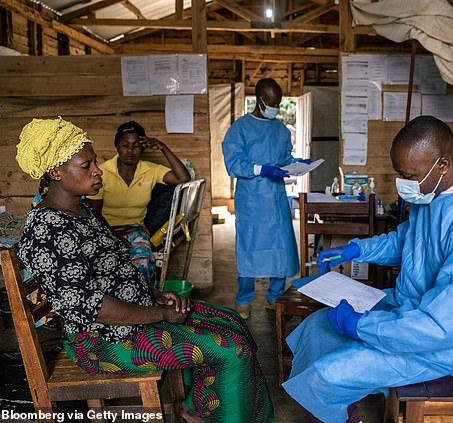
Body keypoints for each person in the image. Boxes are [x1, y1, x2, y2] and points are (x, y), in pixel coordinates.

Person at [15, 118, 274, 423]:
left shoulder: (82, 211)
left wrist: (156, 295)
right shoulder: (49, 229)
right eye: (86, 165)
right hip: (103, 341)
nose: (97, 170)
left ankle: (194, 410)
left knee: (232, 322)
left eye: (95, 162)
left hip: (134, 315)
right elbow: (89, 307)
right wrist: (162, 314)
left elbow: (113, 272)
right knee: (234, 349)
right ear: (56, 173)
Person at [282, 116, 453, 423]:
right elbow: (407, 240)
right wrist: (358, 249)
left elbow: (441, 326)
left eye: (408, 175)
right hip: (407, 309)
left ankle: (340, 407)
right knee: (317, 327)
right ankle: (345, 411)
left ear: (442, 165)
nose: (403, 183)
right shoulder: (436, 194)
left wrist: (360, 326)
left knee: (328, 373)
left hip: (441, 343)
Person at [222, 78, 311, 319]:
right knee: (249, 248)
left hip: (275, 200)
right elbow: (234, 164)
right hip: (251, 201)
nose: (275, 107)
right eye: (271, 103)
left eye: (278, 103)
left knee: (279, 248)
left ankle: (274, 298)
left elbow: (283, 158)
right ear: (259, 100)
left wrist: (296, 164)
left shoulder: (281, 130)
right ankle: (244, 301)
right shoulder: (240, 128)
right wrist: (262, 169)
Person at [87, 121, 190, 288]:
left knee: (142, 259)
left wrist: (163, 147)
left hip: (136, 228)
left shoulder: (150, 169)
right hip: (106, 228)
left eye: (136, 145)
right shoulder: (103, 173)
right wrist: (115, 237)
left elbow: (183, 178)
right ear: (117, 146)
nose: (130, 150)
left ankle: (146, 304)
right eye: (125, 145)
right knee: (105, 263)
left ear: (143, 147)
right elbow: (94, 214)